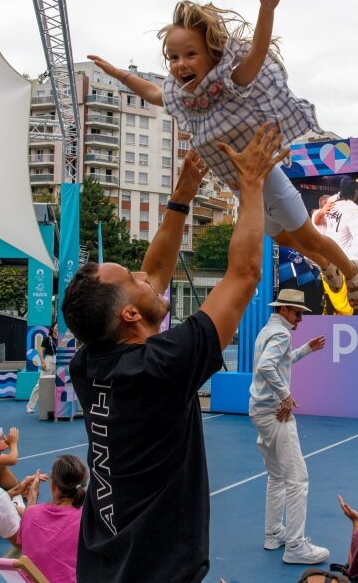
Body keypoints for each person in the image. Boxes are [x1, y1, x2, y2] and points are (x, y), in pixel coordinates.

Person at [60, 126, 285, 582]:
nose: (145, 275)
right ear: (128, 314)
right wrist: (253, 185)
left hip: (104, 568)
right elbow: (243, 275)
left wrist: (182, 196)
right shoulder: (160, 367)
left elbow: (156, 273)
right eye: (133, 278)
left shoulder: (90, 361)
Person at [88, 0, 358, 309]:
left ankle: (351, 270)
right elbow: (152, 91)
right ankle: (324, 264)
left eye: (190, 54)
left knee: (307, 235)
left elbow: (257, 54)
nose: (180, 64)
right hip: (243, 191)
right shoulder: (183, 97)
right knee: (281, 236)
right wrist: (118, 74)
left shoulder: (231, 83)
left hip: (268, 179)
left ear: (210, 53)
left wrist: (267, 10)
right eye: (173, 58)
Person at [249, 289, 329, 564]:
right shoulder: (281, 333)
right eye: (297, 313)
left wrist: (306, 349)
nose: (300, 318)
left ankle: (273, 534)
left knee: (277, 476)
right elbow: (267, 366)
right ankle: (295, 546)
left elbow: (279, 361)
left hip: (260, 411)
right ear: (284, 309)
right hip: (275, 413)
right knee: (298, 479)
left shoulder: (268, 330)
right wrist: (285, 396)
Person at [17, 455, 87, 583]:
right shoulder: (87, 520)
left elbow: (24, 543)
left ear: (53, 486)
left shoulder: (30, 513)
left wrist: (32, 498)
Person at [325, 177, 358, 273]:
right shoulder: (353, 209)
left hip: (330, 261)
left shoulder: (330, 205)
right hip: (345, 263)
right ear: (355, 191)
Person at [26, 323, 58, 414]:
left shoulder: (61, 339)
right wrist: (43, 362)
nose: (58, 328)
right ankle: (30, 406)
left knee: (58, 384)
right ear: (52, 328)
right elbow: (40, 350)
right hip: (49, 360)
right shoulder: (48, 339)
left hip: (58, 362)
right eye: (56, 326)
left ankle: (55, 406)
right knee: (40, 384)